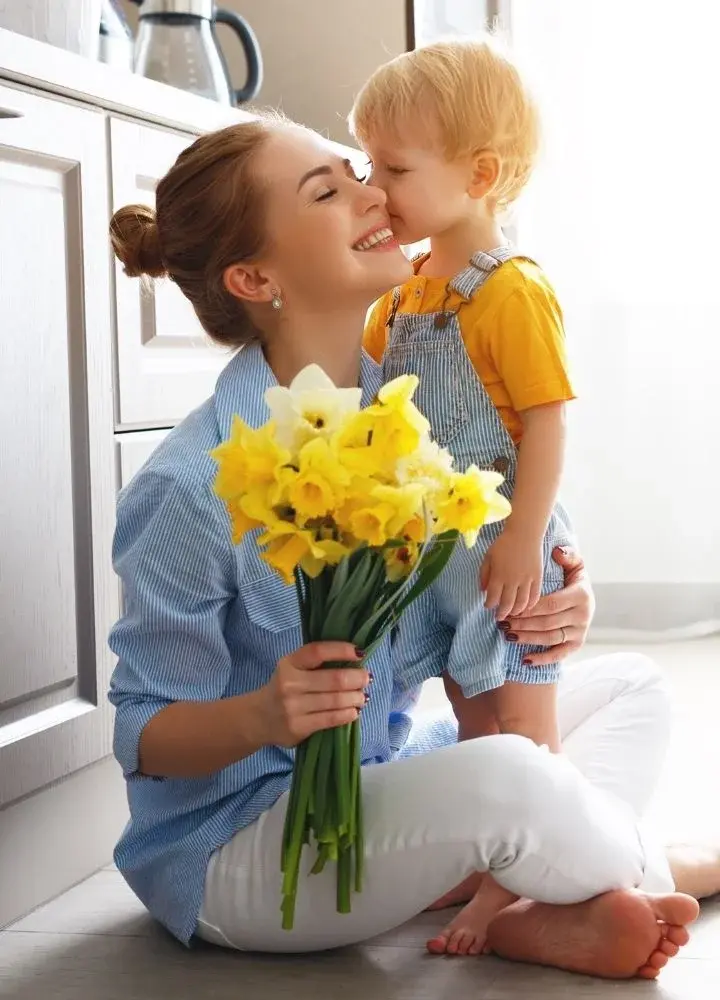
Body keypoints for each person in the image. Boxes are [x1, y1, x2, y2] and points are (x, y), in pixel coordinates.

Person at [107, 114, 708, 982]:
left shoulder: (419, 417)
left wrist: (542, 605)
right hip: (244, 851)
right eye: (328, 190)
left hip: (371, 784)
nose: (371, 193)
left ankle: (527, 900)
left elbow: (475, 582)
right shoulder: (190, 484)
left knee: (629, 686)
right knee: (512, 777)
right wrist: (262, 717)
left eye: (354, 171)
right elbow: (143, 732)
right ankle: (662, 866)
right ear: (254, 275)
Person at [350, 35, 577, 951]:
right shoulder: (400, 299)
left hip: (503, 546)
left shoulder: (508, 292)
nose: (374, 187)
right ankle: (493, 867)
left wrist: (525, 540)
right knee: (474, 718)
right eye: (367, 163)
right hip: (435, 557)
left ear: (479, 174)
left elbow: (549, 420)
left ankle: (531, 880)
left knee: (522, 728)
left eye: (393, 168)